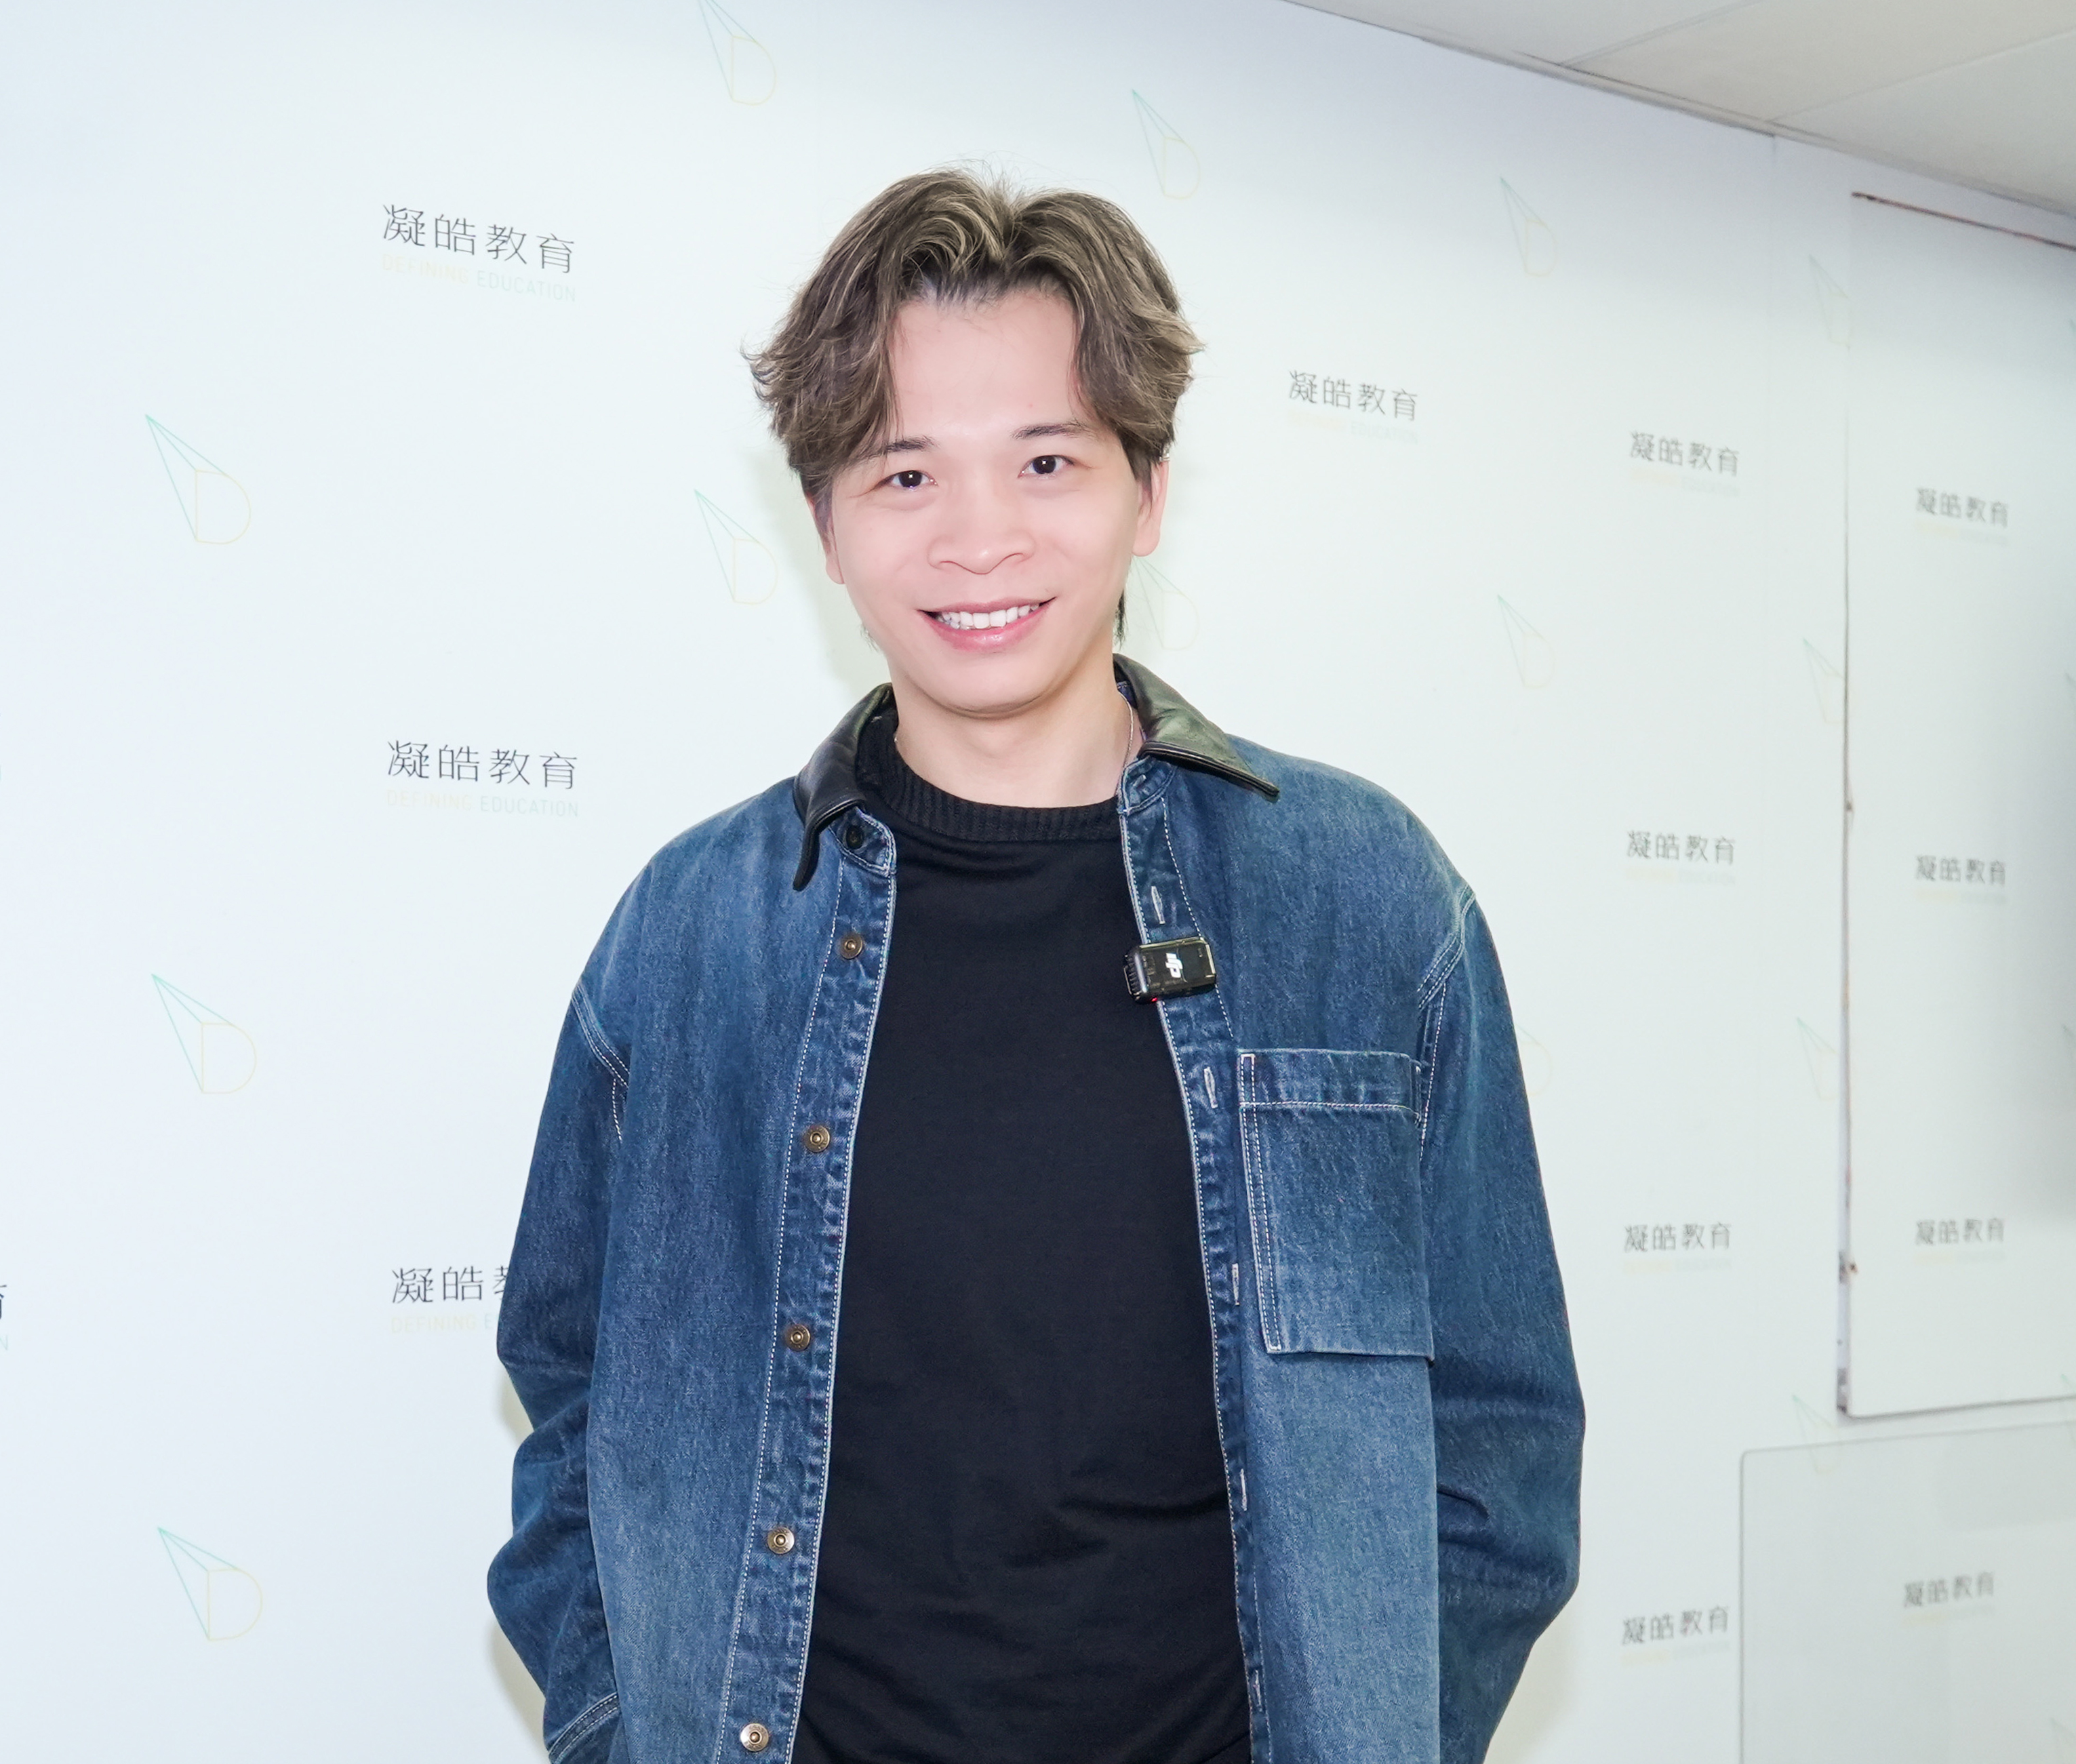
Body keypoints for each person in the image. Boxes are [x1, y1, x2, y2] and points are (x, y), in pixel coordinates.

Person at [489, 169, 1580, 1764]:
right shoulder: (696, 932)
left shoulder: (1362, 901)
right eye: (905, 471)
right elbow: (572, 1395)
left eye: (1048, 460)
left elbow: (1498, 1445)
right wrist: (618, 1726)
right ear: (826, 526)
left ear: (1148, 494)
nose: (980, 535)